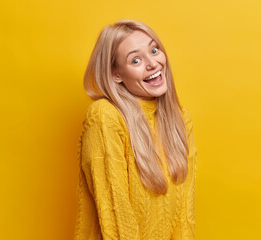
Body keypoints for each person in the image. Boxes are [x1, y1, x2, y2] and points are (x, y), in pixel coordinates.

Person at [75, 19, 197, 240]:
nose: (153, 63)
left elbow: (184, 217)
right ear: (116, 75)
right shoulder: (105, 117)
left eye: (154, 49)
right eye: (136, 60)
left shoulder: (179, 119)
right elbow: (116, 215)